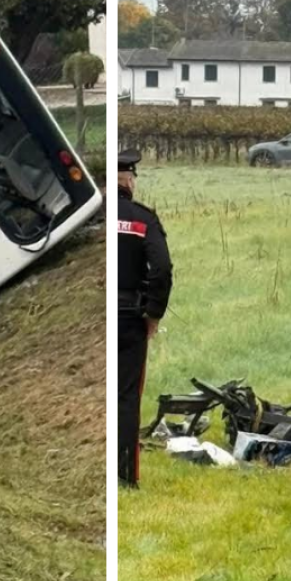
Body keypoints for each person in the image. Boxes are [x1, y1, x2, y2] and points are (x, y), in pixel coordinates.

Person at [117, 148, 173, 488]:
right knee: (126, 397)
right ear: (129, 180)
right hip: (128, 319)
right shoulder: (143, 219)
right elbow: (162, 270)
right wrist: (153, 313)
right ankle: (125, 478)